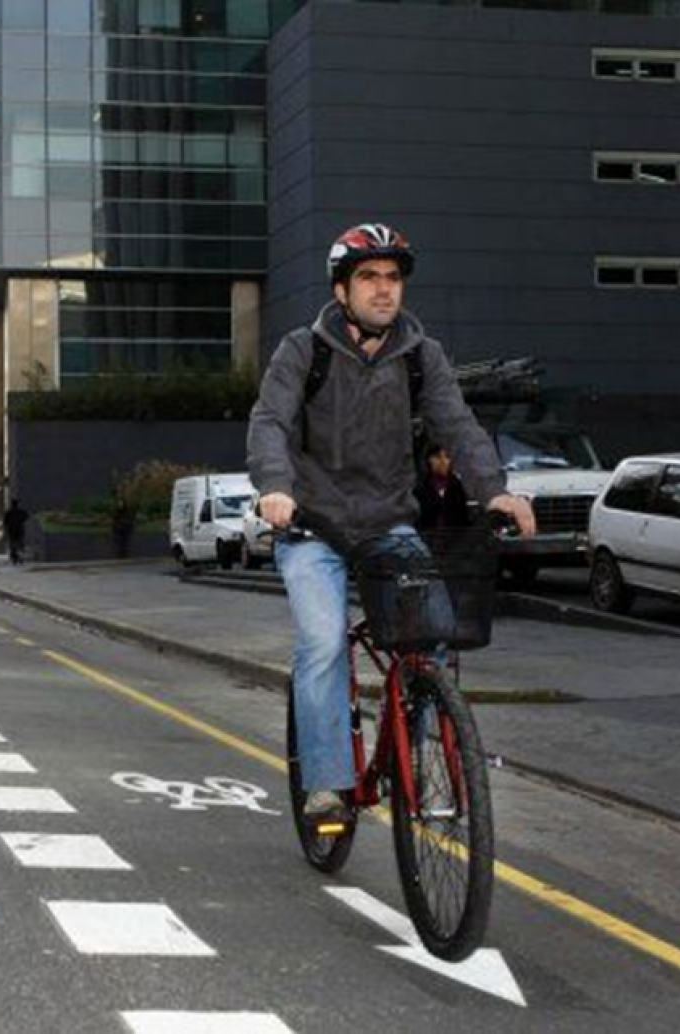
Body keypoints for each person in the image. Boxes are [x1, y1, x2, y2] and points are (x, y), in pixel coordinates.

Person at [247, 223, 535, 825]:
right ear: (342, 289)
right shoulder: (304, 350)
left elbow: (458, 426)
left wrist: (496, 492)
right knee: (325, 643)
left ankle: (420, 743)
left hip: (388, 524)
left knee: (434, 632)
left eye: (393, 278)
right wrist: (275, 487)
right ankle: (326, 785)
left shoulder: (420, 356)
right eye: (369, 278)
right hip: (312, 528)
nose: (384, 290)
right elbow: (270, 422)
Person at [3, 499, 29, 565]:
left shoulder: (9, 513)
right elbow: (26, 517)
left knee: (13, 546)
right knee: (20, 545)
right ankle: (20, 557)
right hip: (19, 531)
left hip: (12, 531)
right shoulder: (21, 512)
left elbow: (5, 522)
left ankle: (15, 558)